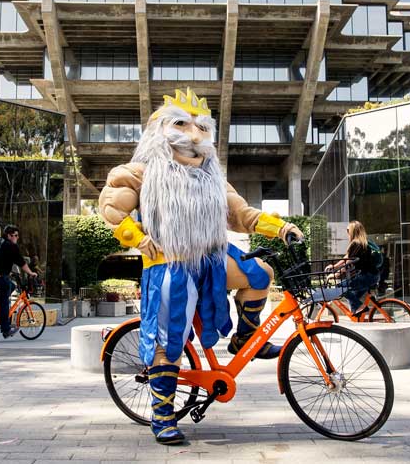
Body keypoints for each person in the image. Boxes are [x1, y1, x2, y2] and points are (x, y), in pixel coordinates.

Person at [98, 88, 303, 445]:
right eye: (180, 123)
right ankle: (162, 416)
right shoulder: (142, 172)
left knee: (260, 274)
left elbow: (242, 214)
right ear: (159, 130)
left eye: (201, 127)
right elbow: (112, 207)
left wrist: (281, 228)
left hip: (210, 259)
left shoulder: (213, 178)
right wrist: (135, 235)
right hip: (169, 264)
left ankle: (244, 337)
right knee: (168, 343)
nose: (193, 135)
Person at [0, 225, 38, 339]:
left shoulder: (1, 244)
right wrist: (31, 273)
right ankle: (6, 329)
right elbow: (21, 262)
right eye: (15, 235)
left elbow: (5, 262)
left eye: (17, 236)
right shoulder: (11, 246)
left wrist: (10, 273)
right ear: (9, 235)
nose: (17, 238)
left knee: (11, 286)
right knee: (4, 302)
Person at [326, 221, 382, 313]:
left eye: (348, 230)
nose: (347, 232)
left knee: (339, 288)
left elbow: (348, 263)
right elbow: (347, 256)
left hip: (366, 276)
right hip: (373, 275)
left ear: (352, 231)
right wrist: (335, 266)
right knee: (353, 298)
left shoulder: (356, 243)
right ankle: (357, 315)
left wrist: (336, 275)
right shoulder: (364, 242)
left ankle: (360, 307)